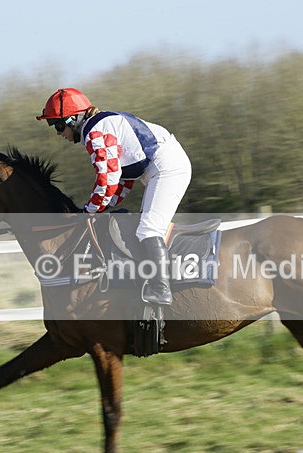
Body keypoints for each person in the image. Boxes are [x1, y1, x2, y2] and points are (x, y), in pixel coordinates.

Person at [37, 88, 192, 306]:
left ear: (74, 119)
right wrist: (101, 206)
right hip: (160, 167)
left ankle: (162, 290)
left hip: (167, 167)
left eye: (58, 125)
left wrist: (89, 210)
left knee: (149, 228)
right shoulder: (99, 127)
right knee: (143, 226)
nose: (58, 133)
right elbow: (122, 179)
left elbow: (108, 179)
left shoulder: (95, 132)